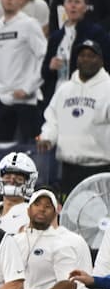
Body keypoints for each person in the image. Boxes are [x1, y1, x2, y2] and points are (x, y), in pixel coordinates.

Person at [39, 39, 110, 194]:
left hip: (100, 168)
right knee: (69, 215)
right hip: (68, 169)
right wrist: (47, 137)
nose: (86, 59)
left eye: (91, 55)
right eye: (82, 55)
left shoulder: (108, 88)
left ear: (101, 60)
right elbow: (52, 119)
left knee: (100, 215)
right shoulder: (65, 89)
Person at [0, 0, 47, 143]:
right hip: (2, 98)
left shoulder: (29, 24)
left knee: (30, 150)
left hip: (25, 100)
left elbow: (44, 57)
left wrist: (28, 88)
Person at [41, 0, 110, 106]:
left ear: (85, 7)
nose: (73, 6)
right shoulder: (56, 37)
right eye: (69, 1)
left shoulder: (96, 33)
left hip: (86, 95)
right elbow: (44, 71)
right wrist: (50, 67)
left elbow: (106, 64)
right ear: (64, 6)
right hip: (58, 95)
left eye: (77, 2)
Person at [0, 151, 38, 234]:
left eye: (19, 179)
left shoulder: (33, 214)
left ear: (29, 182)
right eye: (7, 177)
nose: (12, 181)